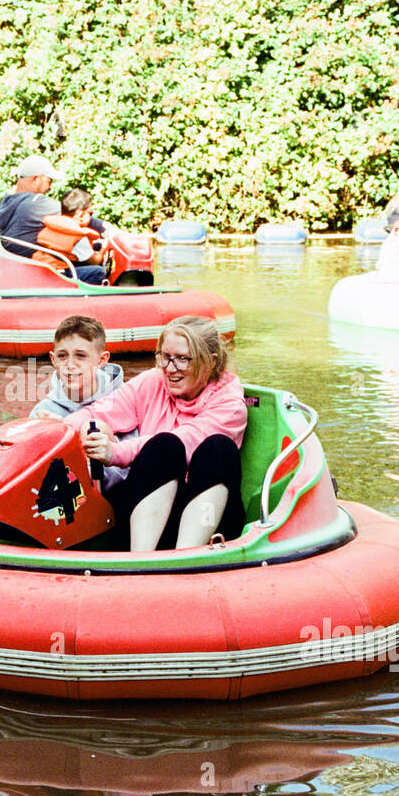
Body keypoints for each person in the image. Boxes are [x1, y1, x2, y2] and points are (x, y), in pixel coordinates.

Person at [66, 316, 247, 552]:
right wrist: (78, 428)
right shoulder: (153, 381)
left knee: (209, 447)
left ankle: (186, 558)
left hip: (207, 518)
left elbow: (187, 439)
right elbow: (99, 411)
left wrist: (115, 453)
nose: (170, 369)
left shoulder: (230, 405)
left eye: (182, 359)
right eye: (165, 357)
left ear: (210, 362)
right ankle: (141, 559)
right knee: (163, 446)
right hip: (149, 514)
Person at [30, 315, 131, 487]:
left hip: (117, 495)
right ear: (53, 359)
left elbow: (133, 467)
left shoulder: (125, 400)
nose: (70, 365)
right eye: (62, 356)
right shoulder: (43, 411)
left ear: (102, 360)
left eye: (81, 356)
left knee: (96, 428)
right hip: (65, 500)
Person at [0, 155, 110, 277]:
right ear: (35, 179)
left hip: (20, 268)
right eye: (49, 181)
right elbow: (74, 212)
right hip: (40, 273)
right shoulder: (34, 204)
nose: (50, 187)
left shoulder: (7, 204)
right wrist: (112, 232)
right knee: (98, 273)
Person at [33, 188, 108, 284]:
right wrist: (103, 249)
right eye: (90, 213)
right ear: (80, 215)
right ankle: (82, 296)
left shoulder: (55, 225)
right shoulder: (78, 236)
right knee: (98, 272)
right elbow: (95, 261)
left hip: (41, 269)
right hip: (58, 274)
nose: (91, 216)